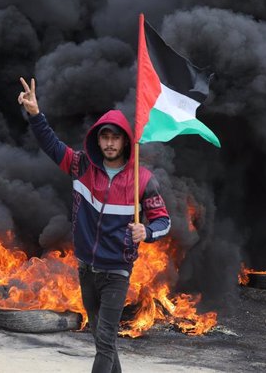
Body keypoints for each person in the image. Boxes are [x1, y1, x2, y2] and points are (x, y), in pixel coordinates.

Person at [17, 77, 170, 373]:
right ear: (97, 140)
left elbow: (164, 220)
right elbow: (52, 146)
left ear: (125, 140)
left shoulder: (142, 179)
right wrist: (35, 114)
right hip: (86, 267)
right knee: (104, 340)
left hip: (116, 272)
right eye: (105, 137)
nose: (110, 143)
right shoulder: (82, 166)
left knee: (104, 342)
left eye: (115, 137)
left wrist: (147, 231)